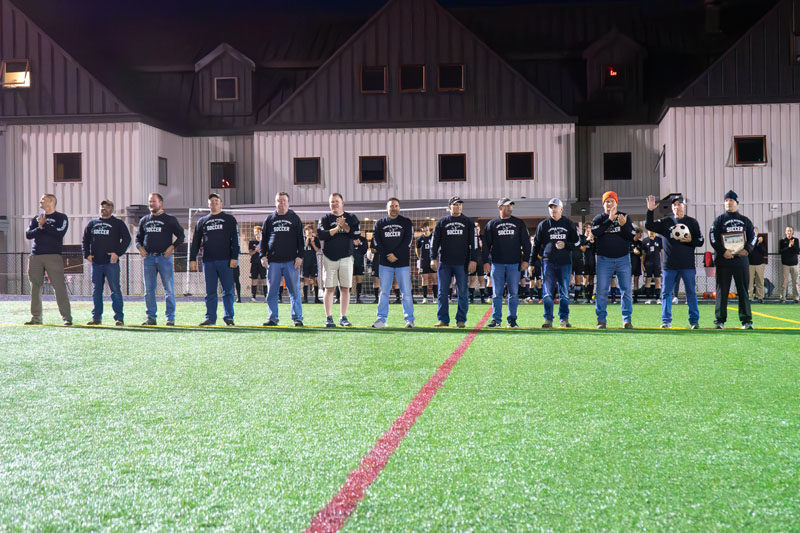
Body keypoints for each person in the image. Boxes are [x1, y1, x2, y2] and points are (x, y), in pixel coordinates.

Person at [645, 194, 703, 329]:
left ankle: (694, 321)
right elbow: (649, 225)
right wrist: (650, 210)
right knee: (666, 293)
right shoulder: (666, 222)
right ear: (672, 207)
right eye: (674, 205)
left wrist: (690, 241)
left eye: (679, 204)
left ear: (684, 206)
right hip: (669, 266)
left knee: (691, 292)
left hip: (687, 265)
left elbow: (700, 241)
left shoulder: (692, 222)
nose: (677, 206)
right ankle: (666, 321)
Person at [190, 193, 240, 326]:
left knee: (228, 290)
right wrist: (192, 259)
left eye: (216, 201)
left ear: (221, 203)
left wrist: (235, 257)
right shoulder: (202, 221)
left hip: (226, 260)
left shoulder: (229, 219)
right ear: (208, 204)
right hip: (208, 261)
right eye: (211, 201)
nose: (214, 203)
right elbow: (195, 241)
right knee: (210, 292)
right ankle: (210, 318)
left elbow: (235, 239)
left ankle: (229, 317)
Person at [136, 193, 185, 326]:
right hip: (149, 259)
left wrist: (172, 247)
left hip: (164, 259)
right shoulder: (144, 220)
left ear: (161, 203)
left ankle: (170, 318)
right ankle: (151, 318)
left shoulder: (170, 219)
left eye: (154, 201)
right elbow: (137, 238)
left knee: (168, 290)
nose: (151, 204)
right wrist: (139, 247)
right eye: (150, 202)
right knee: (148, 291)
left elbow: (181, 236)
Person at [709, 190, 756, 329]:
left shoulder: (745, 220)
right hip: (723, 261)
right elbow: (713, 238)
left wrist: (747, 249)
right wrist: (723, 251)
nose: (729, 202)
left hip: (740, 260)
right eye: (726, 200)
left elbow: (753, 237)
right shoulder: (718, 220)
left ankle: (746, 321)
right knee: (722, 290)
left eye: (731, 200)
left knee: (742, 290)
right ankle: (720, 320)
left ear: (737, 203)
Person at [25, 193, 72, 325]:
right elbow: (28, 234)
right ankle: (36, 318)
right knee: (35, 287)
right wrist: (39, 226)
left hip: (53, 255)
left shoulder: (61, 217)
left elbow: (59, 233)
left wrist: (45, 225)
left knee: (59, 286)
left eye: (43, 199)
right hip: (36, 256)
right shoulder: (36, 218)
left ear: (51, 201)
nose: (40, 201)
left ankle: (67, 318)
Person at [82, 200, 131, 325]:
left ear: (112, 210)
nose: (104, 209)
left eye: (107, 207)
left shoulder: (118, 223)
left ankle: (119, 318)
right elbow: (85, 240)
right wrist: (87, 254)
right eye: (102, 207)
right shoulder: (92, 223)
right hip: (96, 263)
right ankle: (96, 318)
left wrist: (117, 253)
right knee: (96, 291)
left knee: (115, 290)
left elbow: (127, 239)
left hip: (111, 263)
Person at [431, 196, 478, 327]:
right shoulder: (442, 222)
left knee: (462, 291)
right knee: (442, 292)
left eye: (460, 205)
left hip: (462, 263)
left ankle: (461, 319)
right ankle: (443, 319)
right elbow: (434, 242)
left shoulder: (468, 222)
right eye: (455, 205)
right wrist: (433, 258)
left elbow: (474, 243)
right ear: (449, 207)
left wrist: (473, 260)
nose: (458, 207)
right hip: (445, 262)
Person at [591, 191, 636, 329]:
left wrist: (624, 225)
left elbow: (631, 236)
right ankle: (601, 320)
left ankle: (627, 320)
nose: (609, 204)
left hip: (623, 259)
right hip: (604, 260)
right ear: (603, 204)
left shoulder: (624, 217)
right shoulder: (598, 218)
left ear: (616, 203)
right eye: (607, 202)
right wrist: (609, 219)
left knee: (626, 290)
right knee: (602, 291)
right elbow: (595, 232)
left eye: (612, 201)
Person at [483, 198, 530, 328]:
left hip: (514, 264)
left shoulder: (519, 223)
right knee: (497, 293)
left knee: (513, 293)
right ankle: (496, 320)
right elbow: (486, 245)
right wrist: (486, 261)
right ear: (500, 208)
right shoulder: (492, 224)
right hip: (497, 264)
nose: (510, 208)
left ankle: (512, 320)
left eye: (511, 206)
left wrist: (526, 260)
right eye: (506, 206)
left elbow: (526, 243)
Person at [531, 198, 579, 328]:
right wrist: (531, 262)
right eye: (551, 207)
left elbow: (577, 243)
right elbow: (536, 245)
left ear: (561, 209)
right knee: (547, 292)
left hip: (564, 263)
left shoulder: (569, 224)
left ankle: (563, 319)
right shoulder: (543, 224)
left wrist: (565, 245)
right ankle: (548, 319)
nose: (553, 209)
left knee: (564, 292)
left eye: (555, 207)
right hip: (548, 263)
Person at [260, 192, 304, 327]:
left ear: (288, 202)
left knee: (294, 291)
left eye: (284, 201)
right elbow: (264, 239)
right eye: (279, 201)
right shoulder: (269, 219)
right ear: (275, 203)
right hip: (273, 262)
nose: (282, 203)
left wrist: (300, 256)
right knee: (272, 292)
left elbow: (300, 240)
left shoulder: (294, 218)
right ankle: (272, 318)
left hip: (291, 261)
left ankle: (297, 318)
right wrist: (262, 255)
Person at [317, 193, 360, 327]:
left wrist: (345, 226)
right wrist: (337, 228)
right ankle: (328, 318)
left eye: (336, 201)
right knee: (329, 288)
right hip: (329, 258)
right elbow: (321, 235)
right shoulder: (324, 218)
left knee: (345, 288)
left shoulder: (351, 218)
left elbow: (355, 234)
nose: (334, 204)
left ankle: (343, 317)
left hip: (346, 258)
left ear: (342, 203)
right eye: (331, 202)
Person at [372, 198, 415, 328]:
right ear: (387, 208)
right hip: (385, 264)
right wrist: (387, 255)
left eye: (396, 206)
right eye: (391, 206)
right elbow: (376, 241)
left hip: (402, 264)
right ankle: (381, 320)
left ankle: (409, 320)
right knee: (384, 292)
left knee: (406, 292)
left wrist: (396, 254)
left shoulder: (406, 222)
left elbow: (408, 240)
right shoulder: (379, 223)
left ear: (399, 208)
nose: (394, 208)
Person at [416, 223, 436, 303]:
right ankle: (425, 298)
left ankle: (435, 298)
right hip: (424, 261)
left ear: (429, 227)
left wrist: (435, 257)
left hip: (433, 260)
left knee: (435, 278)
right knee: (424, 279)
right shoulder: (420, 238)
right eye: (423, 227)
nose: (425, 228)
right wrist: (419, 258)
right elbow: (417, 249)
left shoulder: (434, 237)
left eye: (426, 226)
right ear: (422, 229)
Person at [779, 226, 800, 303]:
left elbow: (797, 251)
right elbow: (781, 251)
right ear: (785, 232)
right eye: (788, 231)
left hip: (794, 265)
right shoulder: (782, 241)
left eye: (790, 231)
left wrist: (793, 245)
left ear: (792, 232)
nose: (789, 232)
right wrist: (788, 246)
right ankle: (783, 298)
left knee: (795, 282)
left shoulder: (796, 240)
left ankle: (796, 298)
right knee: (784, 282)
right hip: (785, 265)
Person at [642, 230, 663, 303]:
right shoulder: (645, 241)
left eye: (653, 231)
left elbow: (662, 253)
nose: (651, 232)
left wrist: (663, 265)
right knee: (648, 280)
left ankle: (658, 298)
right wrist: (642, 264)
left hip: (657, 264)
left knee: (657, 280)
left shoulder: (659, 240)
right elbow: (643, 254)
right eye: (650, 231)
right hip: (648, 264)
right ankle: (648, 299)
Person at [301, 225, 321, 304]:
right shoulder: (302, 239)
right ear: (305, 232)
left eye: (310, 230)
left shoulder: (315, 239)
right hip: (305, 262)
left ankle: (316, 298)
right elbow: (302, 250)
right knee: (305, 280)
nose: (309, 232)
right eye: (307, 230)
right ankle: (305, 298)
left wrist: (312, 243)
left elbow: (317, 250)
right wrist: (307, 241)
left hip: (313, 262)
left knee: (314, 280)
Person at [748, 226, 767, 303]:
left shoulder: (762, 240)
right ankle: (750, 296)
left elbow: (764, 251)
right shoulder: (748, 240)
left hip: (760, 264)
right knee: (750, 281)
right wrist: (755, 242)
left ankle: (760, 297)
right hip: (750, 264)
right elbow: (749, 250)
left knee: (760, 281)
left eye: (756, 232)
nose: (755, 233)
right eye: (753, 232)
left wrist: (759, 243)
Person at [469, 222, 488, 304]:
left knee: (481, 279)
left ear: (480, 228)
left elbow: (486, 249)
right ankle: (471, 298)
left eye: (477, 226)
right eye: (475, 227)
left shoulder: (483, 237)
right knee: (472, 279)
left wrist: (486, 261)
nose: (476, 228)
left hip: (481, 261)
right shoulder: (470, 238)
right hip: (472, 260)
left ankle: (483, 298)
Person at [248, 226, 267, 302]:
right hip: (254, 263)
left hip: (262, 263)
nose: (257, 234)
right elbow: (250, 253)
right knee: (254, 279)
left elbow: (266, 253)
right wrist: (256, 250)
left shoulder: (264, 242)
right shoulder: (252, 242)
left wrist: (261, 250)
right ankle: (253, 297)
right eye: (255, 232)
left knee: (264, 279)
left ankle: (266, 296)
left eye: (258, 232)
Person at [579, 225, 596, 303]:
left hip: (592, 261)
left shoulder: (593, 238)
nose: (590, 229)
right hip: (584, 261)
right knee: (586, 278)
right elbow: (582, 248)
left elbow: (596, 250)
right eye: (589, 227)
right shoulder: (581, 237)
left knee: (592, 278)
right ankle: (585, 297)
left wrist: (593, 242)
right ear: (585, 228)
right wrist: (587, 240)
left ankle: (590, 297)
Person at [630, 229, 645, 303]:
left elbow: (642, 254)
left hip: (637, 263)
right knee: (628, 281)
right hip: (629, 264)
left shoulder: (640, 243)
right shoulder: (629, 241)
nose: (641, 235)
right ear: (636, 234)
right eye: (640, 234)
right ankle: (628, 297)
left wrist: (642, 264)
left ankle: (635, 298)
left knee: (636, 280)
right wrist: (633, 251)